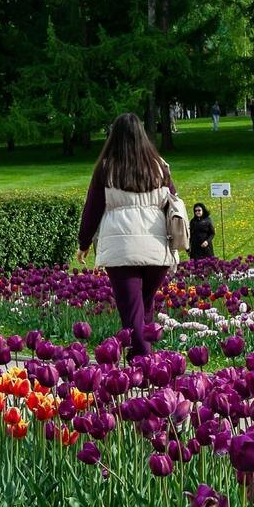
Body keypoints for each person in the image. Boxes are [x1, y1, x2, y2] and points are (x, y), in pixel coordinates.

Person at [78, 113, 179, 358]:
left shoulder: (107, 168)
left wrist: (84, 243)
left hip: (121, 248)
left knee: (132, 311)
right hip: (157, 247)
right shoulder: (159, 166)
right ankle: (148, 364)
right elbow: (173, 201)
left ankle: (142, 367)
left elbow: (93, 208)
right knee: (144, 307)